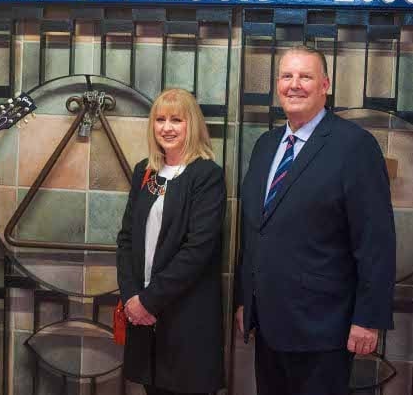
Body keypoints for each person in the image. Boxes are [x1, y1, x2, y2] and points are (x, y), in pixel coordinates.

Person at [235, 45, 396, 395]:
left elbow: (375, 241)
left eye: (305, 76)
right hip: (269, 323)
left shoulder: (355, 146)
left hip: (323, 329)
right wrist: (246, 300)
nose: (295, 84)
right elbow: (254, 232)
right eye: (287, 76)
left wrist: (368, 319)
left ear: (325, 84)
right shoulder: (266, 145)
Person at [116, 88, 226, 395]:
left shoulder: (206, 176)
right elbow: (126, 239)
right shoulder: (145, 172)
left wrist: (149, 300)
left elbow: (197, 250)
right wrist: (131, 298)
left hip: (186, 318)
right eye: (160, 119)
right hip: (143, 317)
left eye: (176, 119)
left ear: (192, 125)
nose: (167, 127)